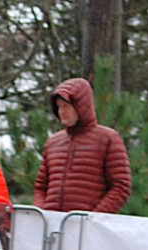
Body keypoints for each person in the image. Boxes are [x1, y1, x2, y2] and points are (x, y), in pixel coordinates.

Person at [33, 77, 132, 213]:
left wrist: (93, 218)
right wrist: (42, 213)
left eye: (66, 106)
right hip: (51, 227)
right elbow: (40, 187)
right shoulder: (53, 143)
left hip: (88, 229)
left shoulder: (108, 138)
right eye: (59, 107)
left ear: (81, 105)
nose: (62, 111)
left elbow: (121, 187)